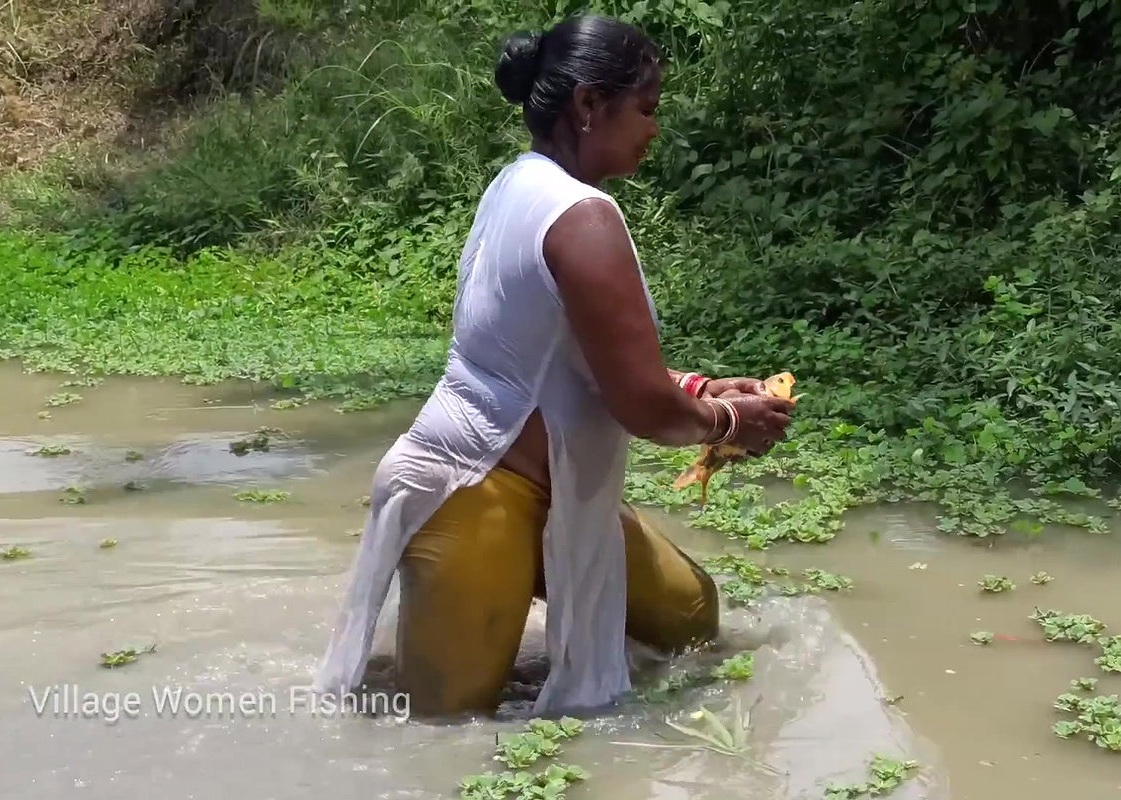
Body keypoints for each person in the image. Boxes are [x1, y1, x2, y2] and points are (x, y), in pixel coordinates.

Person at [310, 14, 794, 719]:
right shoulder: (581, 218)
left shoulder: (521, 184)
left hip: (561, 492)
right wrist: (727, 421)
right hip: (476, 489)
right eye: (647, 109)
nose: (655, 129)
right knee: (441, 721)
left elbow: (576, 360)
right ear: (590, 103)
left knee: (690, 617)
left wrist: (701, 388)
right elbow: (642, 407)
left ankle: (529, 594)